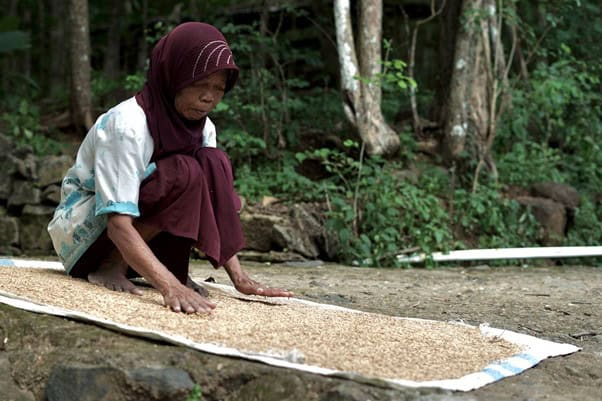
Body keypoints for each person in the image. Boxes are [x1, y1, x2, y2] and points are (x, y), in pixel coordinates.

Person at [47, 22, 293, 314]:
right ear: (173, 77)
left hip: (137, 235)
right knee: (183, 171)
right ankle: (112, 266)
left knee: (210, 164)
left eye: (219, 88)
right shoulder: (127, 126)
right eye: (200, 85)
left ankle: (164, 268)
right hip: (87, 237)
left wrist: (239, 278)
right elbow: (117, 223)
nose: (209, 97)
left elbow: (211, 197)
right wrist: (168, 287)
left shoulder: (204, 129)